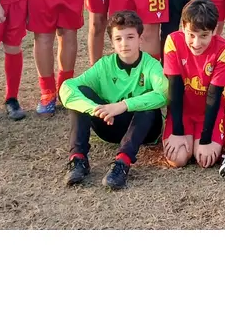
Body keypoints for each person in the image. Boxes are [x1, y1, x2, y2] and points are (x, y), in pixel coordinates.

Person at [59, 11, 167, 190]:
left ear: (140, 39)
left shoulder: (151, 65)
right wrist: (95, 109)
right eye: (118, 38)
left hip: (145, 130)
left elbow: (164, 93)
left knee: (148, 107)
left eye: (130, 37)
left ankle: (122, 163)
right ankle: (78, 159)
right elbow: (67, 87)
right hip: (110, 127)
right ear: (112, 42)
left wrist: (122, 105)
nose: (124, 43)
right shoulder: (104, 65)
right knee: (81, 93)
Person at [161, 0, 225, 173]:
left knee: (205, 159)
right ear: (183, 27)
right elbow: (175, 87)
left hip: (209, 111)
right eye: (191, 34)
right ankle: (181, 131)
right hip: (184, 110)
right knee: (178, 159)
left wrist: (205, 140)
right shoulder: (173, 41)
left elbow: (213, 95)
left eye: (204, 35)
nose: (196, 43)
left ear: (214, 30)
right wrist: (177, 132)